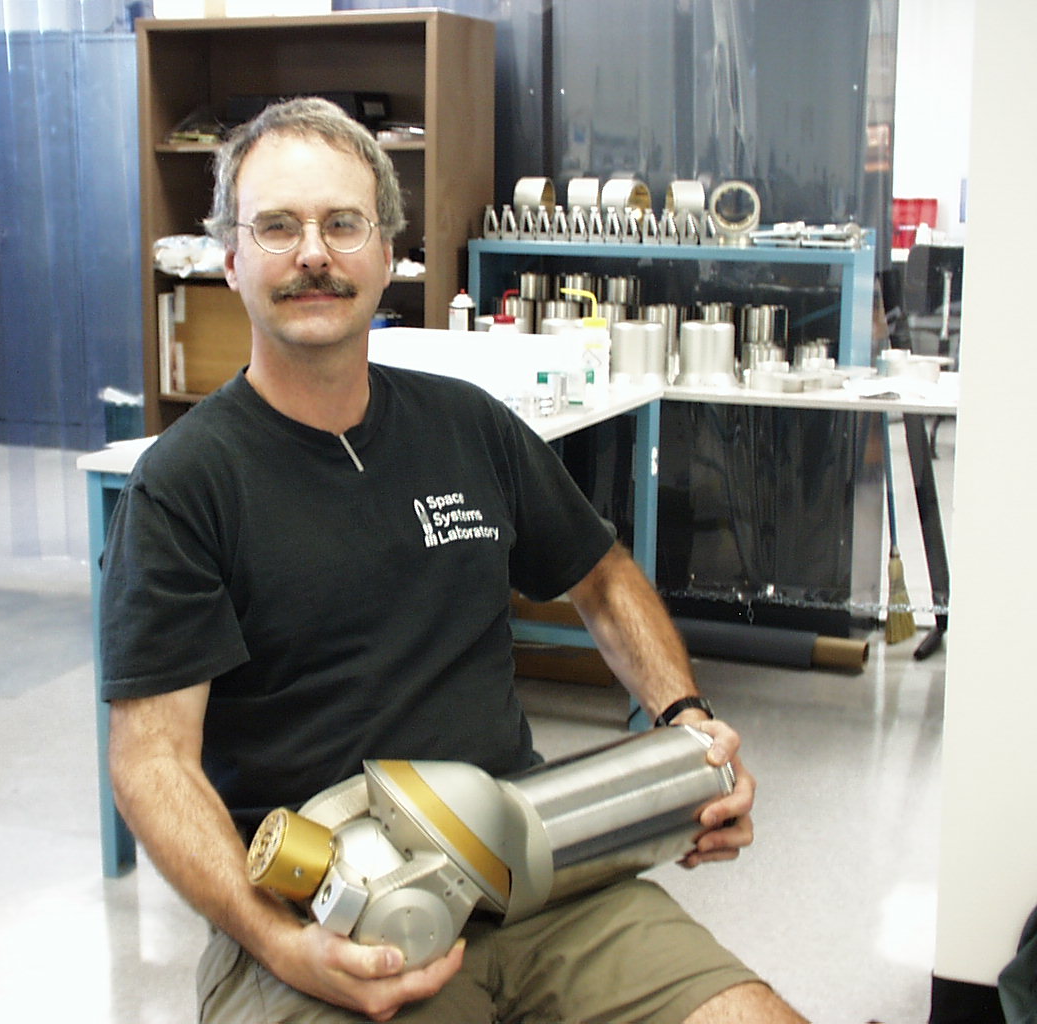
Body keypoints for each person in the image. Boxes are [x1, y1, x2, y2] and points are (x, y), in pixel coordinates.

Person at [99, 96, 808, 1024]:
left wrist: (687, 723)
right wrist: (278, 944)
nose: (313, 253)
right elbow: (151, 762)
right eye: (276, 226)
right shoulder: (183, 487)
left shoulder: (467, 426)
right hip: (327, 918)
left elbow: (601, 577)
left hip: (532, 865)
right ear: (230, 259)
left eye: (343, 224)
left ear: (387, 253)